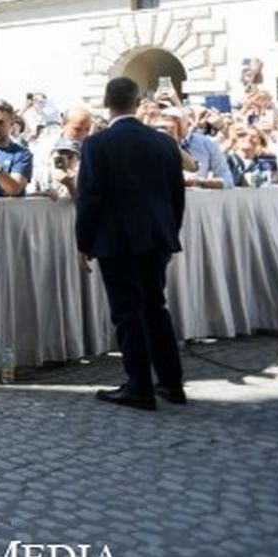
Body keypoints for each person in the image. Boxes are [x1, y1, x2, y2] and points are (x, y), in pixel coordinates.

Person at [76, 76, 187, 411]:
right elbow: (176, 197)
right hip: (156, 237)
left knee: (127, 313)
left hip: (117, 239)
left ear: (107, 102)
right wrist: (170, 235)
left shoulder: (97, 144)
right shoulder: (165, 143)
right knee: (156, 308)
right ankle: (171, 382)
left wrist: (84, 242)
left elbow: (90, 198)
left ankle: (139, 385)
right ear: (138, 102)